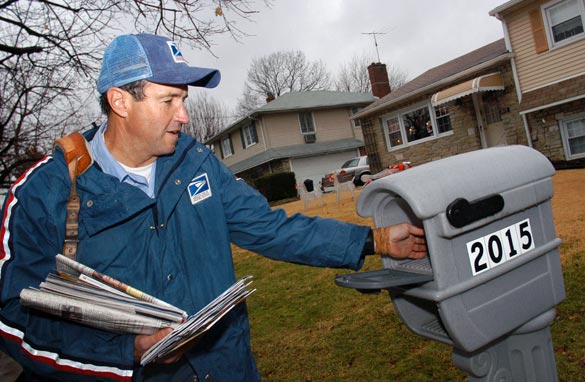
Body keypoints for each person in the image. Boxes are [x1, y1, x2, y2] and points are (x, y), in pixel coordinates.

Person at [0, 34, 426, 382]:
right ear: (120, 102)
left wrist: (378, 239)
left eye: (183, 99)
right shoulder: (44, 193)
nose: (184, 115)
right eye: (168, 101)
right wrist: (124, 350)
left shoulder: (195, 163)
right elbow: (15, 316)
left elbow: (271, 228)